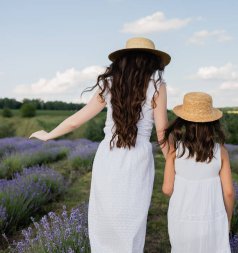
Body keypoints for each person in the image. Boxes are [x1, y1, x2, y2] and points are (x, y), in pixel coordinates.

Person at [29, 37, 171, 252]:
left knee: (104, 217)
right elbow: (162, 131)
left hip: (109, 153)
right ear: (151, 61)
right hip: (139, 157)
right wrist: (173, 164)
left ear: (123, 60)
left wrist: (49, 135)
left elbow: (76, 120)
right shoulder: (157, 86)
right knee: (133, 217)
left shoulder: (109, 83)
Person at [160, 92, 235, 253]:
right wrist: (227, 219)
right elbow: (228, 192)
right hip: (212, 219)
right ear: (212, 122)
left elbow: (167, 189)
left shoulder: (175, 152)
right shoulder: (220, 152)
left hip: (181, 218)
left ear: (184, 121)